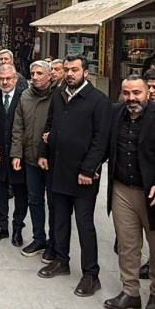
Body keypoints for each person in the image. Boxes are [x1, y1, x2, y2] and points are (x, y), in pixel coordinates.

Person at [102, 75, 155, 309]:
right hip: (122, 188)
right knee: (127, 244)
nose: (131, 98)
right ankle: (130, 291)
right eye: (126, 93)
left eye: (136, 92)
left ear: (147, 92)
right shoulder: (115, 114)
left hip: (153, 193)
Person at [39, 55, 111, 295]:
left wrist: (88, 169)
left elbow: (101, 140)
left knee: (84, 224)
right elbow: (48, 127)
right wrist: (43, 153)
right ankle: (61, 260)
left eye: (75, 70)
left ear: (86, 73)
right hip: (57, 168)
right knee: (59, 219)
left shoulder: (98, 100)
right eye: (67, 70)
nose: (70, 74)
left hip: (83, 176)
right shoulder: (59, 95)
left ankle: (91, 274)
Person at [13, 60, 55, 255]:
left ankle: (54, 242)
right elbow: (18, 127)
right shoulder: (25, 96)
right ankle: (39, 238)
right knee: (35, 200)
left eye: (40, 73)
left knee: (54, 204)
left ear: (49, 75)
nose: (36, 77)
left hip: (52, 161)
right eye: (33, 73)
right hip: (30, 158)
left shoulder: (58, 96)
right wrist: (16, 154)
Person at [0, 64, 27, 244]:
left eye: (8, 79)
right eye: (1, 79)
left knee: (20, 193)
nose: (5, 82)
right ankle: (1, 226)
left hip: (18, 155)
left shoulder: (24, 98)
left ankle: (17, 228)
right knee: (0, 190)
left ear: (16, 79)